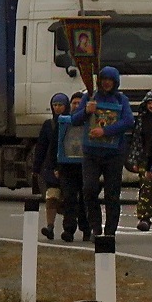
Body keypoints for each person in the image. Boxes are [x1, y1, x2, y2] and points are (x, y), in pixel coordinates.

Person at [70, 65, 134, 239]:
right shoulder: (89, 97)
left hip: (114, 153)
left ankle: (110, 231)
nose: (106, 83)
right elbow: (74, 120)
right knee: (89, 189)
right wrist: (85, 111)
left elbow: (129, 121)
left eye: (110, 80)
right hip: (91, 152)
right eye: (104, 79)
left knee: (112, 193)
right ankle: (95, 227)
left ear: (115, 82)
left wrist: (106, 131)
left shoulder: (121, 100)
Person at [30, 92, 70, 239]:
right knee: (51, 197)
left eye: (60, 105)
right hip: (51, 168)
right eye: (55, 105)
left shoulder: (71, 123)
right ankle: (50, 227)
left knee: (68, 200)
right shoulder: (48, 125)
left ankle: (69, 228)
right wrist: (36, 168)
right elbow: (41, 147)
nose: (57, 108)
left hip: (67, 168)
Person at [55, 92, 90, 242]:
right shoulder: (63, 123)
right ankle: (68, 229)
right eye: (74, 103)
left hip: (85, 166)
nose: (76, 106)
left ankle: (86, 229)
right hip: (67, 167)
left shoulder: (89, 122)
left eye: (79, 103)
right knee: (69, 198)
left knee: (85, 199)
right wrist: (56, 166)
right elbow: (56, 146)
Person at [131, 90, 152, 232]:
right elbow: (137, 141)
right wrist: (135, 160)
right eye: (149, 103)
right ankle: (144, 218)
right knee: (145, 189)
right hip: (146, 159)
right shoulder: (141, 120)